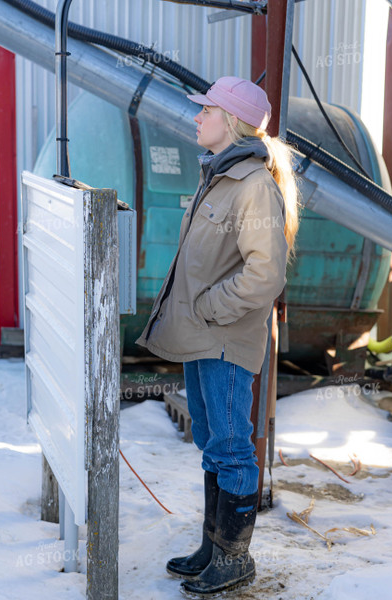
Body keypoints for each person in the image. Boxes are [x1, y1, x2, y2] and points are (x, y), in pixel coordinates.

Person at [136, 76, 299, 596]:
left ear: (229, 120)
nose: (196, 117)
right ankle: (214, 547)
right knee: (212, 442)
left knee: (231, 447)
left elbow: (265, 273)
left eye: (204, 110)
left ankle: (235, 558)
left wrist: (210, 307)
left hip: (226, 339)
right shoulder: (219, 175)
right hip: (203, 336)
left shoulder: (252, 185)